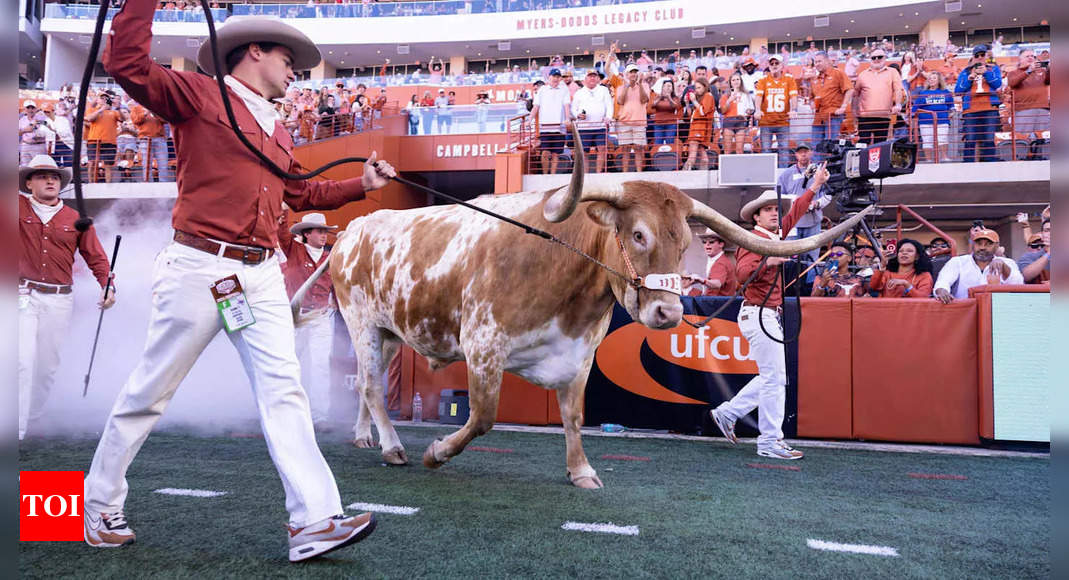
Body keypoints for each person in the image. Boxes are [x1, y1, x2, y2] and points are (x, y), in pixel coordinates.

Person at [82, 4, 396, 561]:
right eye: (288, 58)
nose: (296, 69)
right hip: (199, 268)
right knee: (149, 393)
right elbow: (126, 63)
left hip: (258, 275)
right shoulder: (200, 94)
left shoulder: (276, 126)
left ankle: (315, 521)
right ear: (254, 52)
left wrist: (361, 184)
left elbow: (299, 194)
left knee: (284, 391)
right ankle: (98, 502)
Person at [708, 163, 831, 460]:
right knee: (775, 379)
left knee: (771, 377)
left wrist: (814, 186)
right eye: (768, 210)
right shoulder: (753, 240)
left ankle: (729, 413)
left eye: (775, 209)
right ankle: (769, 440)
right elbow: (743, 272)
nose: (775, 213)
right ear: (756, 216)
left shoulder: (771, 238)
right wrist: (773, 261)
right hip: (760, 314)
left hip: (764, 314)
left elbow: (796, 212)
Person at [18, 155, 114, 441]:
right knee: (21, 361)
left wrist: (108, 285)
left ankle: (32, 418)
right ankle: (16, 430)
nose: (50, 180)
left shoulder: (75, 218)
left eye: (55, 176)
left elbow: (96, 257)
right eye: (43, 175)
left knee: (46, 367)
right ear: (28, 182)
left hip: (59, 299)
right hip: (20, 294)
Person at [279, 212, 339, 429]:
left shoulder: (331, 258)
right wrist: (284, 210)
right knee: (287, 364)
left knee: (320, 365)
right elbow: (281, 231)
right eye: (320, 231)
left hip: (321, 317)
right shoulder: (294, 250)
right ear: (307, 233)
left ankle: (319, 417)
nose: (324, 236)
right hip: (294, 315)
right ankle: (281, 411)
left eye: (325, 232)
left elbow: (337, 288)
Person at [934, 229, 1023, 303]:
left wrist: (1004, 268)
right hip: (965, 313)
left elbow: (1019, 286)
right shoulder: (958, 261)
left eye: (988, 244)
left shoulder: (1008, 263)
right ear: (973, 245)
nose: (982, 247)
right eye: (978, 243)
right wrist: (942, 290)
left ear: (997, 246)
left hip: (998, 313)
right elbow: (943, 282)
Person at [777, 144, 829, 264]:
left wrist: (816, 203)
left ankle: (810, 283)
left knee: (811, 260)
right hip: (792, 224)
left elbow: (829, 194)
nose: (803, 154)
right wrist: (794, 202)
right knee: (790, 260)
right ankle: (791, 282)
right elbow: (778, 196)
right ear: (796, 155)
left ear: (811, 153)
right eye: (800, 152)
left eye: (806, 151)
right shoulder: (786, 174)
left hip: (813, 223)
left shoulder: (820, 171)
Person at [955, 45, 1002, 162]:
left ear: (986, 56)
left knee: (989, 137)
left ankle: (989, 163)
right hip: (970, 109)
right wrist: (969, 79)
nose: (980, 57)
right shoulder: (965, 71)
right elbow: (958, 91)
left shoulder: (993, 69)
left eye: (982, 55)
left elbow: (997, 85)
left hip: (990, 108)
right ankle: (968, 164)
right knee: (970, 138)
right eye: (977, 55)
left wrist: (986, 73)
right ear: (973, 57)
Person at [752, 54, 797, 168]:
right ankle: (767, 174)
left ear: (782, 65)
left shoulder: (789, 79)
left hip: (783, 121)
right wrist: (757, 110)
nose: (774, 65)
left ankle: (783, 175)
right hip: (766, 122)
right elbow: (758, 96)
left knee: (784, 149)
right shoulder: (763, 80)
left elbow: (793, 96)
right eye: (771, 64)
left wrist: (794, 109)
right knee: (766, 150)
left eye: (777, 63)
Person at [853, 49, 904, 145]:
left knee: (880, 145)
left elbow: (898, 90)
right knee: (862, 145)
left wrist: (897, 104)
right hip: (865, 117)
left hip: (883, 116)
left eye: (879, 57)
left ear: (885, 58)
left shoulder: (892, 72)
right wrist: (854, 111)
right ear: (870, 59)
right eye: (873, 57)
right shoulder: (862, 74)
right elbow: (856, 94)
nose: (876, 59)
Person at [570, 69, 613, 173]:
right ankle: (586, 174)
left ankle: (598, 173)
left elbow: (609, 105)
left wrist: (608, 117)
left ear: (598, 78)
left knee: (602, 149)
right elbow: (573, 109)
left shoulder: (603, 90)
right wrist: (578, 115)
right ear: (585, 79)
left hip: (600, 126)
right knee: (584, 152)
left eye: (594, 76)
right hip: (584, 127)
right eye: (590, 76)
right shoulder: (579, 92)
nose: (592, 78)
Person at [810, 51, 853, 152]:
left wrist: (843, 107)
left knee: (831, 147)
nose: (817, 64)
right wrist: (811, 103)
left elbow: (850, 89)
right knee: (816, 146)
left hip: (833, 116)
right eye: (815, 62)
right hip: (818, 118)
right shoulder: (815, 79)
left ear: (827, 61)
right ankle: (817, 167)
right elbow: (811, 97)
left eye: (819, 61)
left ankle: (830, 167)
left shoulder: (838, 73)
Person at [531, 67, 570, 174]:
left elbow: (566, 105)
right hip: (545, 126)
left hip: (560, 127)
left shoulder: (564, 89)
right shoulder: (542, 90)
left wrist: (567, 118)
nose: (556, 79)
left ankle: (552, 175)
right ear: (549, 77)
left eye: (558, 77)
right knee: (545, 152)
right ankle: (545, 174)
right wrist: (529, 119)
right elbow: (536, 106)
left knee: (555, 154)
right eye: (554, 76)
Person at [869, 238, 934, 298]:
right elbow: (873, 286)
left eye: (909, 251)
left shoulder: (925, 276)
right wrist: (882, 265)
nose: (904, 253)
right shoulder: (887, 273)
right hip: (886, 309)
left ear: (917, 256)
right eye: (901, 251)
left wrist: (906, 284)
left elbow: (923, 297)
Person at [615, 63, 650, 172]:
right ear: (627, 74)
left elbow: (644, 100)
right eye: (631, 72)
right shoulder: (621, 87)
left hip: (639, 122)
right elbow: (620, 101)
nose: (633, 74)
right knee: (625, 149)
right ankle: (625, 173)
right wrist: (627, 85)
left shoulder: (644, 86)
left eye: (635, 72)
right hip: (624, 122)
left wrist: (639, 85)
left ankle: (639, 173)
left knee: (639, 148)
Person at [912, 71, 953, 162]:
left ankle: (944, 158)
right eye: (930, 78)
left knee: (942, 138)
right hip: (925, 121)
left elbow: (951, 106)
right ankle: (928, 160)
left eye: (934, 78)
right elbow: (915, 108)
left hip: (942, 119)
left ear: (939, 80)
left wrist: (952, 113)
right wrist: (912, 116)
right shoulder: (923, 93)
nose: (932, 80)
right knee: (927, 140)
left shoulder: (946, 92)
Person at [1006, 48, 1050, 134]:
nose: (1030, 58)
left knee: (1043, 140)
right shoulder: (1013, 73)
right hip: (1024, 111)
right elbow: (1012, 83)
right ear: (1020, 59)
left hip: (1043, 109)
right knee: (1024, 138)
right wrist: (1029, 71)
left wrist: (1050, 69)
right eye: (1027, 56)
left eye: (1032, 56)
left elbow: (1049, 81)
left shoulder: (1042, 71)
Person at [684, 228, 737, 297]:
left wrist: (702, 280)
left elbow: (717, 284)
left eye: (711, 242)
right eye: (704, 242)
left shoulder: (720, 263)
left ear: (721, 244)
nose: (707, 244)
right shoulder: (718, 260)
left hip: (717, 305)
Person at [85, 91, 124, 183]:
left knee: (108, 165)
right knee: (92, 163)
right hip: (94, 140)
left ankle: (108, 186)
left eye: (106, 98)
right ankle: (91, 184)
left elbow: (122, 119)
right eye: (101, 98)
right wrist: (101, 109)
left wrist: (118, 107)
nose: (103, 99)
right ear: (97, 100)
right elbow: (90, 118)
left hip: (110, 141)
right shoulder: (92, 109)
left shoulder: (113, 112)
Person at [130, 100, 172, 182]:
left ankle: (164, 185)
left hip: (160, 139)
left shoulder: (158, 107)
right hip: (145, 140)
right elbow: (136, 121)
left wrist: (154, 112)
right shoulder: (136, 108)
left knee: (163, 164)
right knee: (146, 164)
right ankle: (148, 185)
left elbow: (165, 120)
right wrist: (145, 113)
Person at [683, 78, 716, 171]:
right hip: (696, 125)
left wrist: (693, 101)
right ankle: (703, 170)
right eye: (696, 88)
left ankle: (687, 170)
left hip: (701, 125)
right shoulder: (701, 98)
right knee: (701, 149)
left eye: (699, 88)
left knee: (693, 146)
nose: (696, 90)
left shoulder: (708, 96)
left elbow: (703, 112)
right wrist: (687, 103)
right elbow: (690, 114)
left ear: (705, 87)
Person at [717, 73, 752, 156]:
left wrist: (748, 111)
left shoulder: (746, 95)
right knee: (727, 149)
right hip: (728, 121)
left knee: (740, 149)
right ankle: (726, 168)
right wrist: (729, 101)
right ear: (730, 83)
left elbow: (751, 109)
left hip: (741, 121)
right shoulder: (725, 96)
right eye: (733, 80)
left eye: (737, 79)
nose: (736, 81)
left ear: (741, 81)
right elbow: (722, 111)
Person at [649, 79, 679, 145]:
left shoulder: (675, 98)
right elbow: (652, 106)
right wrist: (659, 98)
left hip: (671, 123)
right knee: (658, 142)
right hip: (658, 123)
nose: (667, 88)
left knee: (670, 142)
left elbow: (676, 107)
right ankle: (659, 155)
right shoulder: (657, 96)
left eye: (669, 86)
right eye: (665, 86)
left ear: (672, 88)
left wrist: (669, 98)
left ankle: (669, 155)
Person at [19, 100, 50, 165]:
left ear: (36, 109)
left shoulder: (42, 118)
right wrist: (26, 130)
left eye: (32, 108)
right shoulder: (22, 119)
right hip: (25, 146)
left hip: (38, 146)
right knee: (25, 167)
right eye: (28, 108)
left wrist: (32, 126)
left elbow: (49, 127)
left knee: (39, 166)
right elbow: (18, 132)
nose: (30, 110)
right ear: (25, 109)